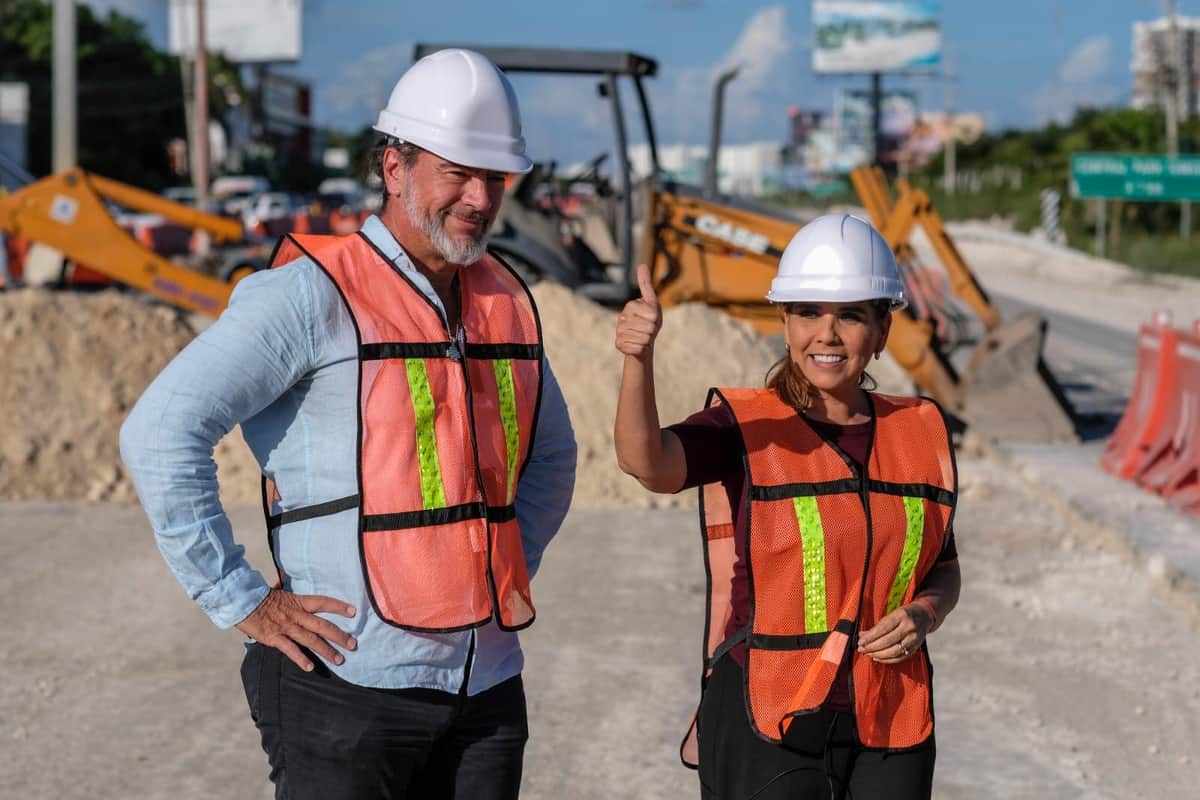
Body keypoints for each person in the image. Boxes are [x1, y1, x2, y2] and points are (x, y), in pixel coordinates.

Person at [120, 48, 577, 800]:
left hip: (487, 687)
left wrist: (494, 565)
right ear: (394, 167)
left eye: (493, 176)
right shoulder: (307, 296)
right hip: (347, 688)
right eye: (455, 171)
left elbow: (552, 455)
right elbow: (162, 433)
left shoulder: (500, 300)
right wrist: (240, 599)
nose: (477, 196)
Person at [614, 213, 961, 799]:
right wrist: (637, 361)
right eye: (807, 312)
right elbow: (648, 463)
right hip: (767, 711)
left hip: (890, 714)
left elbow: (943, 567)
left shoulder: (919, 432)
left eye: (850, 315)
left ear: (881, 330)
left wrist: (924, 614)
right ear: (784, 322)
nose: (825, 333)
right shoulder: (745, 426)